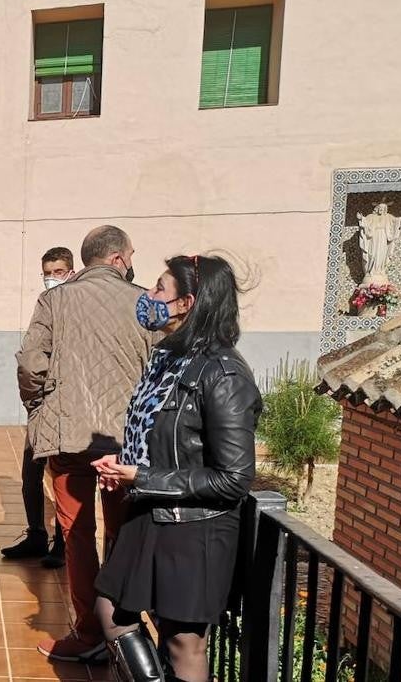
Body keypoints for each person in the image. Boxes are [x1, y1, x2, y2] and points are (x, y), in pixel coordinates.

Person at [92, 255, 260, 682]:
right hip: (152, 511)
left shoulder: (224, 373)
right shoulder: (169, 357)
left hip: (196, 526)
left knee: (183, 641)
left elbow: (234, 478)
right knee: (112, 609)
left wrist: (143, 477)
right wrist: (128, 463)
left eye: (158, 289)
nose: (148, 296)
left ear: (186, 303)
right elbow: (162, 436)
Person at [16, 226, 157, 663]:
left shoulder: (54, 300)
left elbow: (29, 363)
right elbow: (161, 367)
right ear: (117, 259)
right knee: (121, 533)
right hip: (127, 442)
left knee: (76, 534)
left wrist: (41, 408)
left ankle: (89, 629)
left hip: (70, 437)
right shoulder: (146, 303)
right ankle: (124, 627)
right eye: (131, 254)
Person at [1, 247, 73, 567]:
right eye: (47, 273)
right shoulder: (44, 303)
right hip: (41, 403)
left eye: (58, 272)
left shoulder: (76, 303)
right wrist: (33, 400)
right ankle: (36, 535)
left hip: (68, 404)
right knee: (31, 471)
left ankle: (63, 542)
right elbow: (31, 356)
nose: (51, 278)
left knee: (62, 476)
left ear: (71, 271)